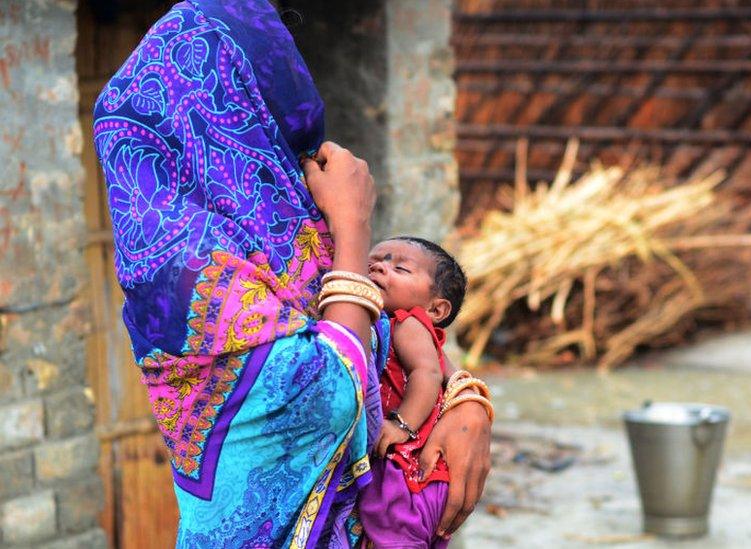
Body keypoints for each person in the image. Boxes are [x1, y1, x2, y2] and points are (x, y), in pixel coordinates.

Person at [92, 1, 491, 547]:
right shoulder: (177, 268)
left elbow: (393, 334)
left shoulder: (281, 223)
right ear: (222, 103)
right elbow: (324, 398)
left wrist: (466, 400)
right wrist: (353, 226)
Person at [356, 238, 490, 548]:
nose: (378, 267)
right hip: (420, 479)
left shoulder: (410, 324)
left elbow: (427, 374)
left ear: (436, 308)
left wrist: (402, 424)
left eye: (399, 268)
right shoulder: (387, 323)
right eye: (372, 263)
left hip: (413, 471)